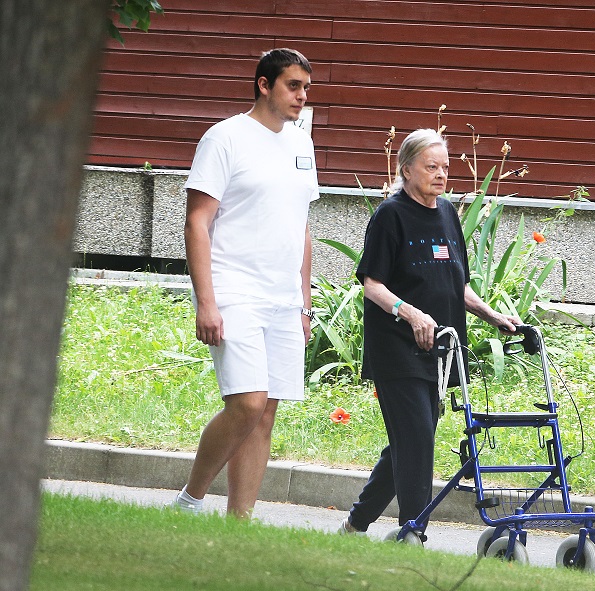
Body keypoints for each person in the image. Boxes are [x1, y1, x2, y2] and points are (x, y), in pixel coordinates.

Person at [339, 129, 521, 538]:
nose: (441, 175)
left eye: (445, 167)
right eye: (431, 167)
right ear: (406, 169)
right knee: (417, 437)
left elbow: (456, 283)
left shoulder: (447, 214)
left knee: (410, 442)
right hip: (398, 347)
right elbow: (372, 283)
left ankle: (355, 524)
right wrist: (410, 313)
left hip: (440, 351)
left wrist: (492, 315)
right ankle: (412, 533)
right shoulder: (391, 214)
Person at [172, 48, 319, 518]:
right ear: (264, 84)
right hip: (233, 289)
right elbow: (197, 222)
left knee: (266, 413)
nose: (301, 96)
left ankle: (239, 525)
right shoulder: (224, 138)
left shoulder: (301, 143)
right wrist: (206, 303)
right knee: (248, 403)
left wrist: (304, 303)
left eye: (305, 88)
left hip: (283, 298)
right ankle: (191, 499)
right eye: (292, 85)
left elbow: (302, 228)